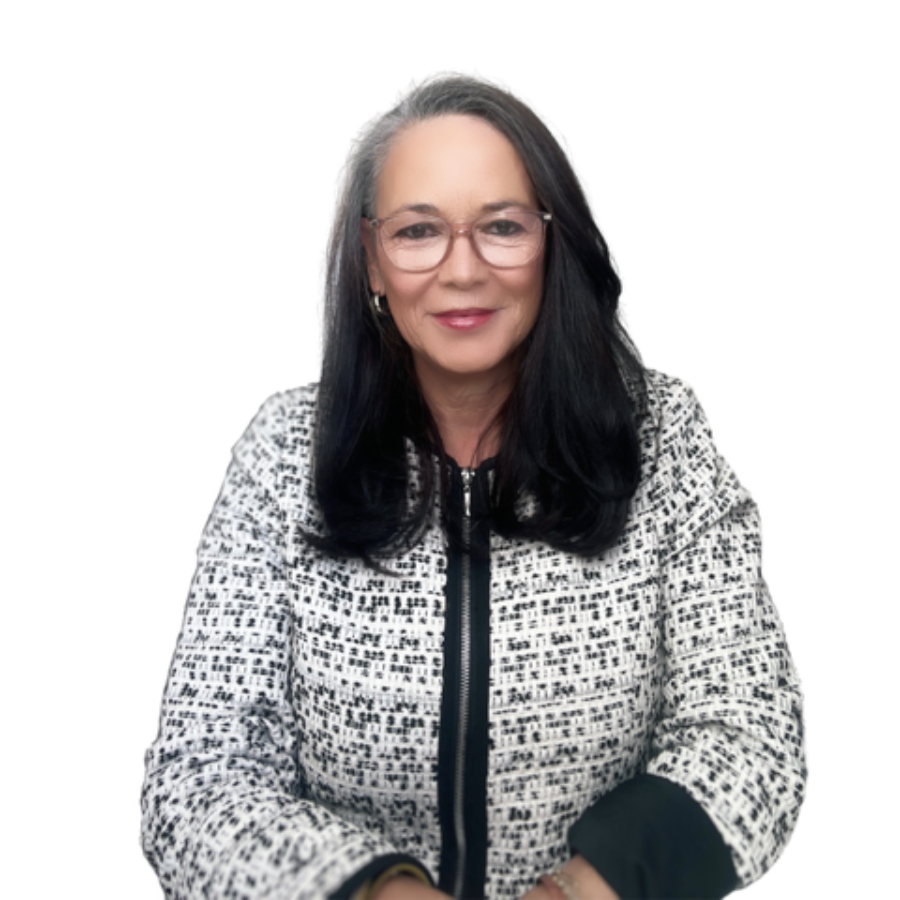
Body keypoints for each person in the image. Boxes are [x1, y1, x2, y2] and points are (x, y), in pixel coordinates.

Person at [141, 76, 805, 900]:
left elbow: (750, 739)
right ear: (371, 260)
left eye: (501, 227)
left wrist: (579, 893)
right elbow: (198, 782)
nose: (463, 269)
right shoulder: (285, 456)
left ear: (552, 245)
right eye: (419, 230)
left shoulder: (662, 440)